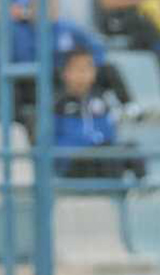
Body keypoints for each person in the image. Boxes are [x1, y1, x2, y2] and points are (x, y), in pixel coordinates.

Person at [53, 49, 143, 179]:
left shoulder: (100, 100)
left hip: (101, 156)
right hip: (74, 163)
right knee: (110, 155)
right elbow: (53, 142)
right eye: (77, 69)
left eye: (87, 68)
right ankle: (117, 194)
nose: (83, 75)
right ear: (65, 73)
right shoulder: (57, 104)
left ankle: (144, 188)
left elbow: (109, 134)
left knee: (130, 148)